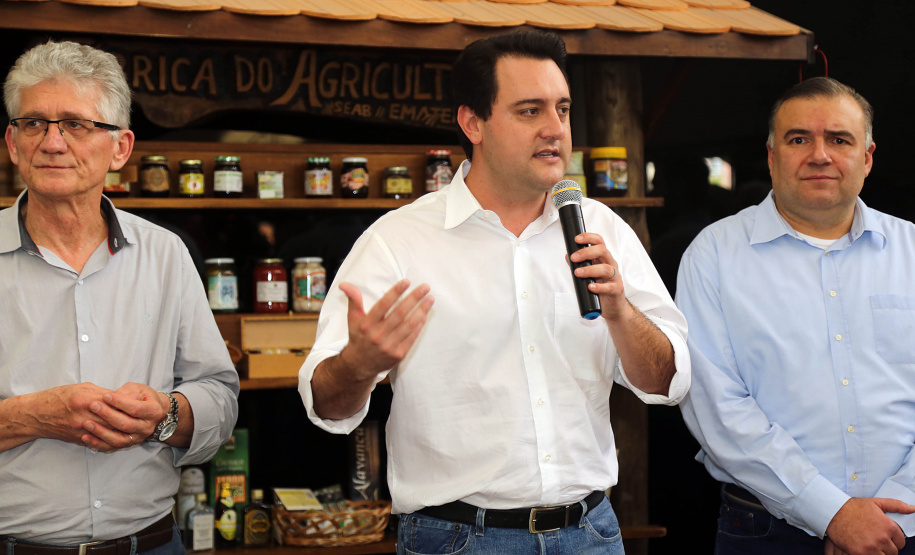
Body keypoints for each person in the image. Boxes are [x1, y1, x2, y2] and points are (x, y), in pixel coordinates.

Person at [299, 30, 690, 554]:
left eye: (563, 109)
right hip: (458, 538)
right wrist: (359, 362)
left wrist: (620, 311)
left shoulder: (601, 229)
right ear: (473, 123)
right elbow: (326, 405)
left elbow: (666, 382)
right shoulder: (398, 242)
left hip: (590, 533)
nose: (555, 129)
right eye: (530, 111)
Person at [0, 40, 239, 550]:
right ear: (12, 142)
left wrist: (165, 415)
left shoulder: (165, 253)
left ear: (121, 148)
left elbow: (220, 396)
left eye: (76, 125)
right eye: (34, 123)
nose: (52, 142)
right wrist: (31, 416)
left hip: (152, 544)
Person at [677, 76, 915, 555]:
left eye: (840, 139)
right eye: (799, 139)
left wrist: (890, 513)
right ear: (771, 156)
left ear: (867, 158)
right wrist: (831, 512)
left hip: (907, 526)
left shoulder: (911, 250)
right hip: (767, 533)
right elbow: (717, 410)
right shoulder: (715, 256)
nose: (820, 154)